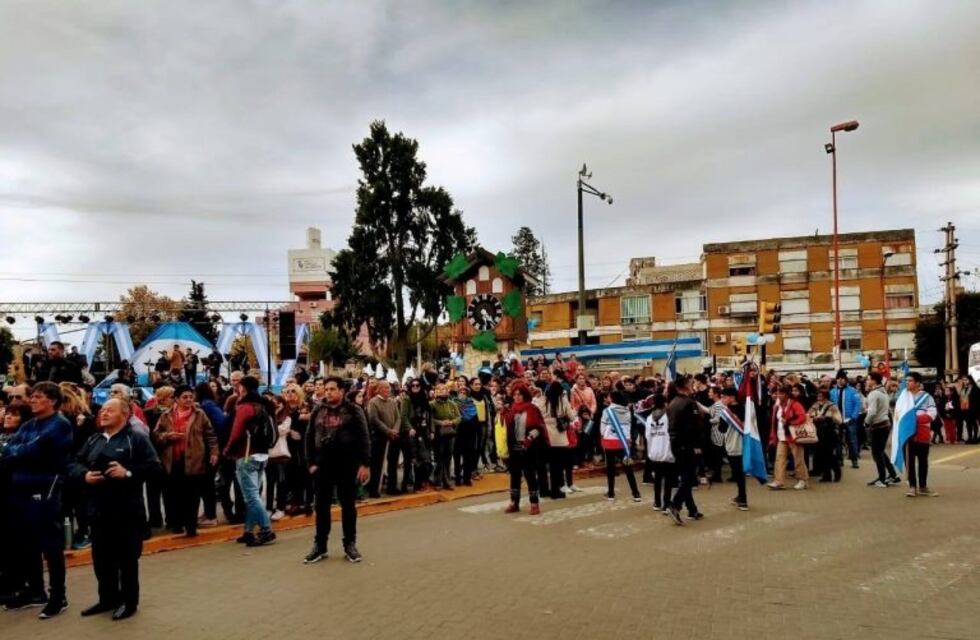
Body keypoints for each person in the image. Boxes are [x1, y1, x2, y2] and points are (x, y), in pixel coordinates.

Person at [70, 398, 161, 621]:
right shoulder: (94, 439)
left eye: (110, 410)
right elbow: (75, 463)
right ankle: (107, 599)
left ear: (125, 414)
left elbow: (154, 467)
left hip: (126, 511)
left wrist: (127, 472)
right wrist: (84, 475)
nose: (104, 413)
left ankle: (129, 602)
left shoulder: (136, 438)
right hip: (97, 510)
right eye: (103, 410)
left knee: (126, 560)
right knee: (102, 560)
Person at [0, 382, 73, 618]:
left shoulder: (59, 425)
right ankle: (35, 591)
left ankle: (58, 596)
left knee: (51, 546)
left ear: (52, 400)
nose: (32, 400)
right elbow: (9, 450)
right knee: (27, 543)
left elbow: (33, 450)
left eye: (38, 397)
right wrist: (17, 452)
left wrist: (16, 452)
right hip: (20, 489)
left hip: (45, 490)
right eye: (32, 396)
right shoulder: (29, 424)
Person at [303, 377, 370, 564]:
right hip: (322, 465)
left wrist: (364, 464)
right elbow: (309, 436)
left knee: (348, 506)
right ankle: (320, 545)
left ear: (341, 391)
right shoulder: (318, 410)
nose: (328, 392)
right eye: (326, 389)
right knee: (321, 506)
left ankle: (350, 544)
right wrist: (310, 462)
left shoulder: (353, 410)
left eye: (332, 389)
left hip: (346, 464)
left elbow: (364, 437)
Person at [152, 385, 218, 537]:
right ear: (177, 399)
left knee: (192, 495)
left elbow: (210, 435)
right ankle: (177, 523)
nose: (188, 400)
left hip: (194, 460)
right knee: (175, 494)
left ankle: (191, 526)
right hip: (173, 460)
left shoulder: (200, 414)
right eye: (185, 397)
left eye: (190, 397)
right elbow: (156, 434)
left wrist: (214, 452)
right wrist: (167, 436)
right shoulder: (166, 415)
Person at [223, 376, 277, 547]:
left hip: (246, 454)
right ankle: (248, 531)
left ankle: (266, 529)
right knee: (254, 495)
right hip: (263, 454)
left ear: (243, 388)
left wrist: (227, 450)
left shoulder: (245, 407)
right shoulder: (264, 406)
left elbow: (236, 432)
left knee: (251, 496)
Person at [502, 384, 547, 515]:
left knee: (530, 475)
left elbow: (539, 427)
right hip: (514, 447)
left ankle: (534, 503)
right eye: (515, 394)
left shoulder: (532, 409)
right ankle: (514, 502)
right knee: (515, 475)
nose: (517, 397)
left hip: (529, 447)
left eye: (519, 394)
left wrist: (529, 438)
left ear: (525, 395)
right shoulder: (511, 410)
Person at [666, 376, 703, 525]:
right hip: (687, 443)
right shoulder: (688, 402)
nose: (693, 385)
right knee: (689, 478)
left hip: (675, 443)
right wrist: (697, 445)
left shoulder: (672, 402)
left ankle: (692, 509)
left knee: (685, 476)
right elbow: (694, 426)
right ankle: (675, 504)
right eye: (691, 383)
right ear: (686, 385)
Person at [600, 391, 642, 503]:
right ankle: (636, 493)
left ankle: (611, 494)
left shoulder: (607, 411)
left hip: (610, 442)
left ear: (613, 398)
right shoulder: (627, 411)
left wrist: (605, 435)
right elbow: (629, 426)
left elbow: (602, 428)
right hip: (624, 443)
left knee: (610, 468)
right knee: (628, 468)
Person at [903, 372, 939, 498]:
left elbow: (932, 414)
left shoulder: (927, 397)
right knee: (909, 462)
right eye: (906, 380)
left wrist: (915, 419)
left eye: (910, 381)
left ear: (918, 383)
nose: (907, 383)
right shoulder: (903, 397)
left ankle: (923, 486)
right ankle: (912, 487)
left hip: (922, 433)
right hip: (907, 434)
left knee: (923, 461)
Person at [539, 380, 576, 498]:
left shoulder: (543, 401)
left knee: (548, 465)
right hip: (560, 438)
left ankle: (545, 490)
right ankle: (556, 490)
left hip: (547, 437)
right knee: (558, 466)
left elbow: (538, 414)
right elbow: (571, 417)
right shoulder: (563, 400)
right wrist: (574, 411)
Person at [768, 384, 809, 491]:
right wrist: (773, 436)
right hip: (781, 436)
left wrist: (790, 422)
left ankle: (802, 480)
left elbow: (802, 417)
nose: (778, 395)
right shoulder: (777, 406)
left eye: (781, 393)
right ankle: (779, 481)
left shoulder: (795, 404)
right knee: (779, 459)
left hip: (793, 436)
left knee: (798, 459)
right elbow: (774, 422)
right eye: (777, 393)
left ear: (787, 394)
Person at [865, 372, 901, 487]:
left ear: (874, 380)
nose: (867, 381)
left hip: (877, 425)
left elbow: (872, 412)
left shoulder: (874, 393)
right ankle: (893, 475)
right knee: (880, 451)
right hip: (885, 424)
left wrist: (866, 422)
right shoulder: (883, 392)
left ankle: (882, 478)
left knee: (877, 453)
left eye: (868, 379)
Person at [366, 382, 400, 497]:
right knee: (377, 464)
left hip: (394, 437)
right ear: (379, 389)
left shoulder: (392, 402)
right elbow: (374, 419)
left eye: (388, 388)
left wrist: (395, 430)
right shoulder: (373, 402)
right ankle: (374, 489)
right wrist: (388, 431)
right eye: (385, 388)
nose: (387, 390)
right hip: (379, 438)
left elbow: (398, 417)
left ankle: (392, 487)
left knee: (393, 463)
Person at [643, 394, 674, 512]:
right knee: (668, 479)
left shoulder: (649, 417)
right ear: (665, 402)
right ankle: (666, 503)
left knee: (657, 478)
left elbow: (647, 435)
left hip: (654, 451)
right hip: (667, 450)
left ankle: (657, 502)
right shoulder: (669, 416)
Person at [829, 371, 863, 469]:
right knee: (838, 441)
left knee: (852, 441)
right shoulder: (832, 392)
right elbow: (830, 405)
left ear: (846, 380)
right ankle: (839, 460)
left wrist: (853, 417)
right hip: (837, 420)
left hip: (849, 419)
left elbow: (857, 405)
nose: (840, 380)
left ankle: (854, 460)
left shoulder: (853, 391)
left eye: (842, 378)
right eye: (838, 378)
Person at [430, 384, 460, 490]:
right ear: (436, 392)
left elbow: (459, 417)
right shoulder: (432, 404)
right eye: (439, 389)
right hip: (438, 434)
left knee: (448, 457)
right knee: (439, 458)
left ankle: (447, 481)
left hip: (450, 433)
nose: (442, 391)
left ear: (447, 391)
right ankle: (437, 482)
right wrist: (441, 422)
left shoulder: (452, 403)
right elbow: (430, 419)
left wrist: (452, 422)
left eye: (444, 389)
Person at [809, 388, 843, 483]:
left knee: (829, 454)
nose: (819, 398)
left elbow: (839, 420)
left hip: (829, 433)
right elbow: (808, 415)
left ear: (826, 397)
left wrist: (827, 417)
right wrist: (814, 418)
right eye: (818, 396)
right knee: (821, 454)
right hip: (818, 432)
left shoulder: (832, 406)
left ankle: (837, 472)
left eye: (821, 396)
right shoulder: (815, 405)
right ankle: (826, 475)